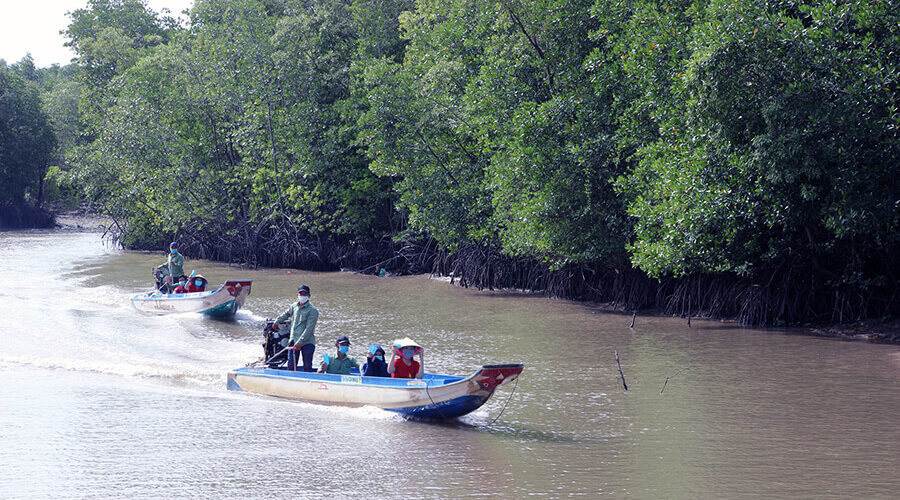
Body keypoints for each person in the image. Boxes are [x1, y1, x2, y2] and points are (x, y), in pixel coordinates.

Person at [274, 285, 318, 372]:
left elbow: (309, 328)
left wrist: (300, 342)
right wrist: (277, 322)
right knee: (291, 366)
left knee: (307, 367)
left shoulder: (313, 310)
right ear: (297, 295)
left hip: (307, 341)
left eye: (305, 294)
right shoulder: (294, 306)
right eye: (301, 294)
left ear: (309, 296)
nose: (302, 296)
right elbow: (286, 314)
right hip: (293, 340)